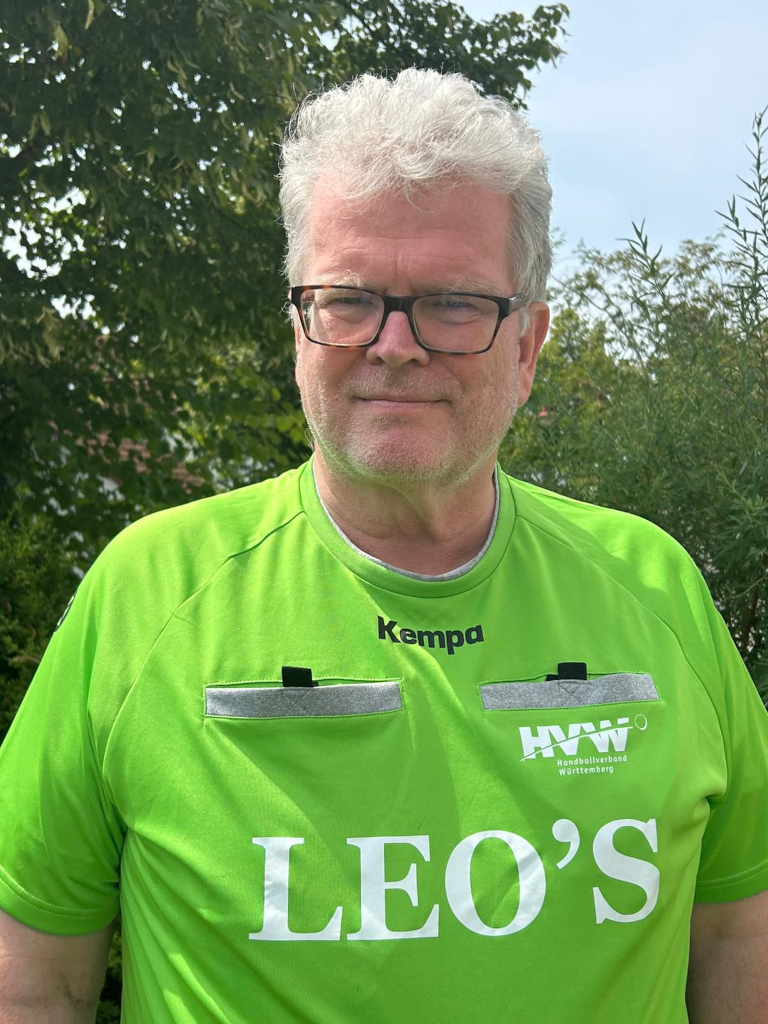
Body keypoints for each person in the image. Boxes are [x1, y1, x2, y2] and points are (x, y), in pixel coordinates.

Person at [1, 68, 767, 1024]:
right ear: (299, 327)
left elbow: (738, 932)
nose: (395, 344)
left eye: (454, 302)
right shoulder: (147, 593)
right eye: (349, 297)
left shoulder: (655, 587)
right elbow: (34, 978)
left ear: (527, 345)